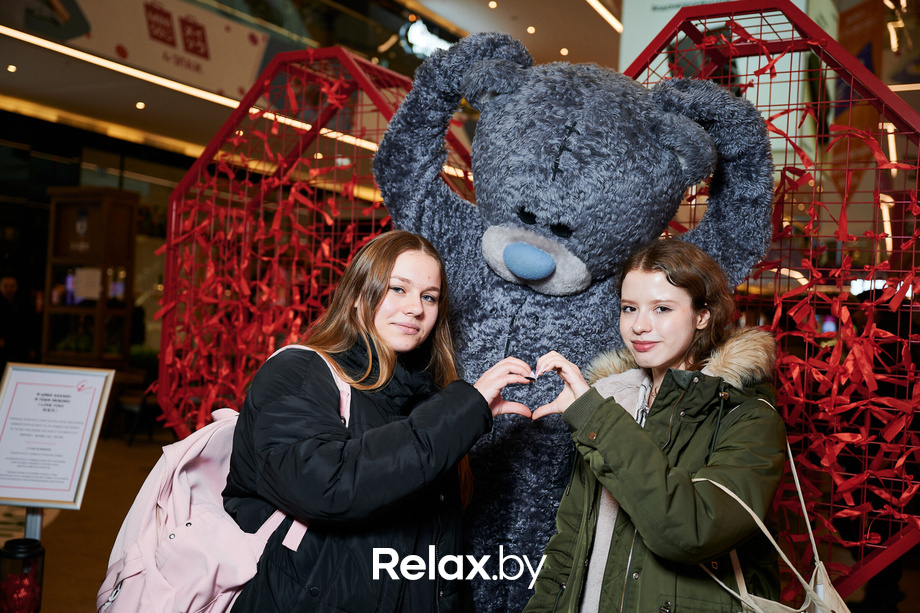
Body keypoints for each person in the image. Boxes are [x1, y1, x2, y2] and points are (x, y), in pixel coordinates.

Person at [223, 230, 533, 612]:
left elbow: (436, 561)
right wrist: (462, 412)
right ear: (357, 295)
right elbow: (327, 486)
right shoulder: (299, 371)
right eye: (397, 289)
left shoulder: (433, 399)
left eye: (429, 296)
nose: (415, 309)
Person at [523, 239, 787, 613]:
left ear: (702, 315)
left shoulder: (747, 415)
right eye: (629, 309)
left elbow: (690, 530)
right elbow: (568, 546)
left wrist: (593, 417)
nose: (639, 326)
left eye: (662, 308)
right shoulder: (613, 399)